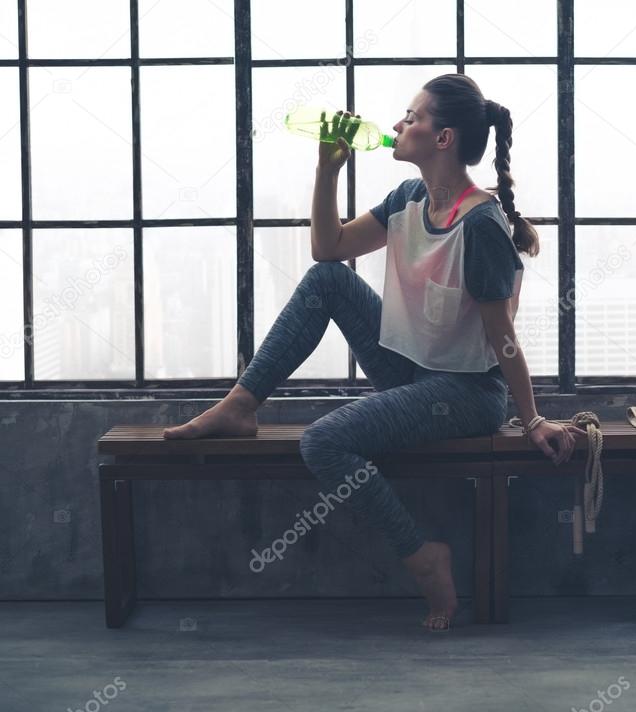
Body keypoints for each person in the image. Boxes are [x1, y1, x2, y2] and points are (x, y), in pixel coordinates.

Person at [163, 73, 586, 632]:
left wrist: (529, 419)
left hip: (466, 392)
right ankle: (242, 403)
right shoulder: (409, 198)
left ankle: (422, 557)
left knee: (323, 441)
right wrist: (327, 170)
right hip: (410, 373)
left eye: (411, 117)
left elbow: (501, 335)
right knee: (326, 281)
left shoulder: (480, 225)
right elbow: (328, 247)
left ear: (443, 139)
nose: (396, 126)